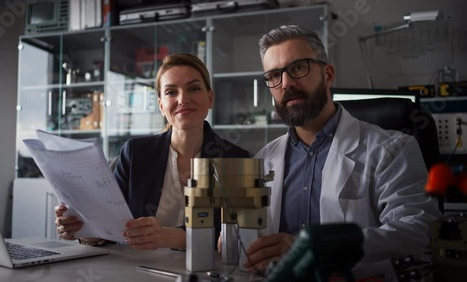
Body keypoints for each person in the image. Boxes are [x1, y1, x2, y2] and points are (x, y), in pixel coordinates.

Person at [239, 25, 443, 277]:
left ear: (328, 74)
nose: (287, 83)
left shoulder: (391, 149)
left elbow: (419, 230)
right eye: (274, 76)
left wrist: (322, 248)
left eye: (298, 68)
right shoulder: (263, 158)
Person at [55, 53, 250, 250]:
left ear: (210, 98)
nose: (183, 99)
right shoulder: (136, 153)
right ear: (161, 105)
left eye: (194, 88)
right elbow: (110, 227)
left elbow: (238, 237)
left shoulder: (236, 159)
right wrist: (84, 230)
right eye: (171, 92)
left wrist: (169, 237)